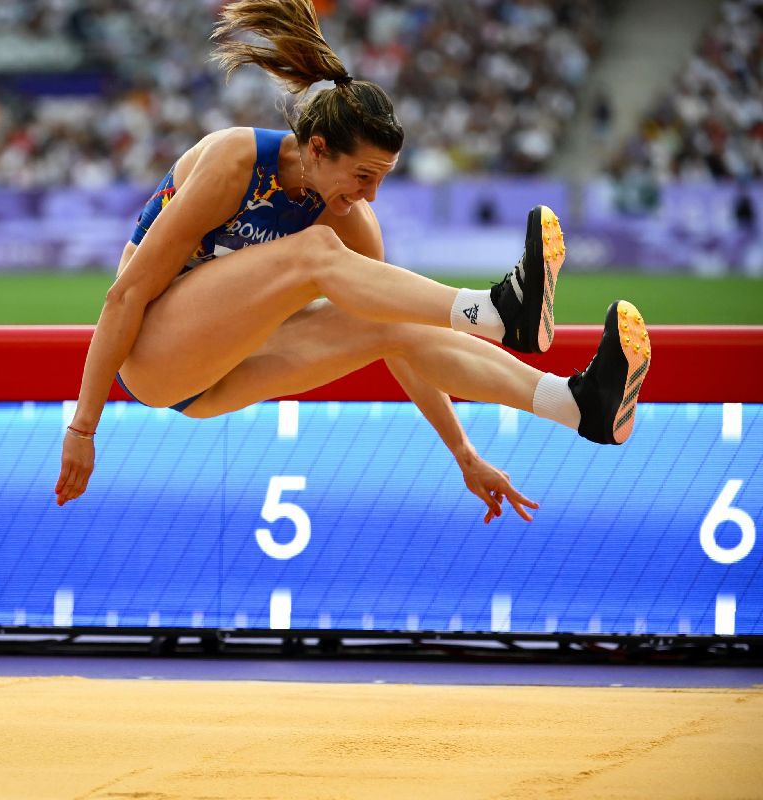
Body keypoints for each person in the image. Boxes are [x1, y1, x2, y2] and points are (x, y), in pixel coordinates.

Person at [55, 0, 651, 521]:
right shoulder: (234, 162)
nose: (369, 196)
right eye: (363, 176)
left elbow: (403, 342)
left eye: (381, 180)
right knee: (317, 252)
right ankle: (500, 310)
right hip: (154, 356)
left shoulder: (349, 220)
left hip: (225, 377)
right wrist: (83, 426)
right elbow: (125, 296)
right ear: (318, 148)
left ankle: (577, 406)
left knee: (393, 318)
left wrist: (464, 456)